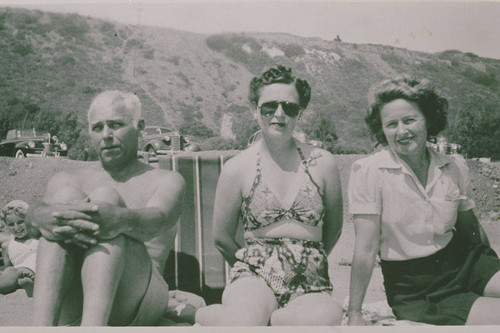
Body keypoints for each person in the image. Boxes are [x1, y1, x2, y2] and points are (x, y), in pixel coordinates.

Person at [195, 65, 344, 326]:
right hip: (254, 277)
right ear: (255, 110)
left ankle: (267, 320)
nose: (279, 114)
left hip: (310, 283)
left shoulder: (324, 163)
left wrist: (307, 259)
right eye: (269, 106)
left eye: (289, 107)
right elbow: (221, 237)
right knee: (243, 319)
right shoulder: (237, 168)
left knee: (325, 319)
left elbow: (334, 228)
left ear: (300, 113)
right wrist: (257, 267)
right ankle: (233, 315)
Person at [347, 76, 500, 326]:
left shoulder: (454, 165)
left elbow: (470, 227)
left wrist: (491, 270)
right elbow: (365, 248)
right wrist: (355, 313)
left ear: (428, 120)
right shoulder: (368, 172)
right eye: (391, 124)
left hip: (465, 262)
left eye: (409, 120)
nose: (402, 131)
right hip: (418, 289)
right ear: (382, 130)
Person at [27, 90, 185, 326]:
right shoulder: (67, 178)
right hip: (75, 297)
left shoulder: (166, 180)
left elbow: (158, 219)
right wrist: (40, 217)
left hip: (139, 298)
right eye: (98, 127)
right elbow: (30, 224)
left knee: (104, 198)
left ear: (139, 126)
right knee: (65, 198)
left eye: (116, 125)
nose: (106, 135)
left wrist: (119, 219)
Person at [0, 200, 38, 297]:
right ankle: (27, 283)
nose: (16, 228)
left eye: (20, 222)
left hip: (40, 267)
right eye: (11, 224)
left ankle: (31, 285)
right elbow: (9, 267)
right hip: (19, 272)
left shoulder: (38, 237)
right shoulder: (7, 245)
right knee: (9, 274)